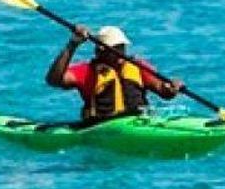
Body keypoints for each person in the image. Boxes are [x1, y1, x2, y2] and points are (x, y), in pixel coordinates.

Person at [44, 24, 183, 125]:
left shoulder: (137, 67)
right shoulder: (87, 71)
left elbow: (163, 91)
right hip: (101, 126)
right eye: (116, 48)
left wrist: (171, 88)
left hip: (138, 123)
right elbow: (53, 80)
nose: (121, 52)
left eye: (122, 47)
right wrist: (72, 44)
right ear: (101, 51)